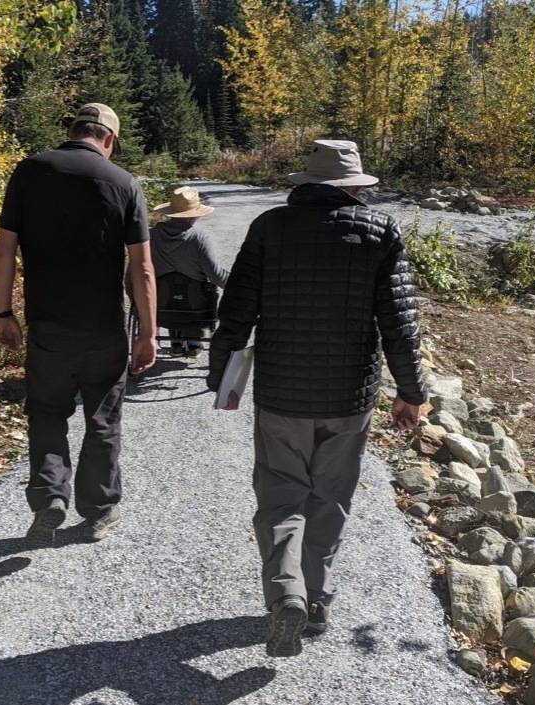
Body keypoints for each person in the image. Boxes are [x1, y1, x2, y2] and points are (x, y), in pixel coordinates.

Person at [207, 140, 427, 658]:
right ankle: (318, 598)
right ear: (354, 186)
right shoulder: (380, 231)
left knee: (281, 495)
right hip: (349, 397)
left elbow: (236, 308)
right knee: (330, 496)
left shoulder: (269, 228)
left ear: (306, 182)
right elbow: (399, 322)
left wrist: (224, 378)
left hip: (282, 393)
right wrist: (411, 392)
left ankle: (286, 594)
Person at [0, 103, 157, 545]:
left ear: (74, 131)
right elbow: (141, 269)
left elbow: (5, 249)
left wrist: (3, 312)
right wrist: (148, 332)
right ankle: (98, 511)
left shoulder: (29, 172)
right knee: (102, 419)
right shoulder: (124, 183)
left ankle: (50, 496)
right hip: (103, 328)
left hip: (48, 324)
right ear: (108, 140)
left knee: (46, 411)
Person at [150, 186, 228, 356]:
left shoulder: (151, 236)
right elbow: (215, 274)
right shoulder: (199, 238)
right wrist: (235, 283)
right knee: (197, 291)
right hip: (196, 307)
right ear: (195, 213)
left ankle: (176, 344)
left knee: (168, 291)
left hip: (160, 306)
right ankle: (193, 343)